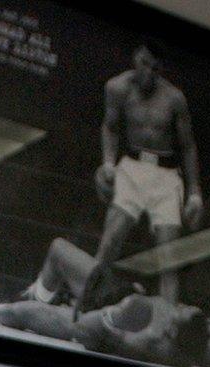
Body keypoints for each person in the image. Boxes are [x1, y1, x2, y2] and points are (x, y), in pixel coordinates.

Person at [0, 238, 210, 367]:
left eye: (178, 313)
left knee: (18, 314)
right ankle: (35, 296)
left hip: (103, 318)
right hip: (119, 293)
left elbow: (87, 332)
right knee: (58, 248)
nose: (177, 307)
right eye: (182, 307)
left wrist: (115, 316)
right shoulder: (199, 341)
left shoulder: (149, 343)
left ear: (170, 333)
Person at [84, 40, 203, 311]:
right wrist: (108, 163)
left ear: (161, 68)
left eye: (155, 67)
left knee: (168, 257)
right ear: (135, 59)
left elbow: (187, 146)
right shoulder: (116, 88)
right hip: (132, 168)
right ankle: (85, 306)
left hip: (166, 174)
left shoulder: (174, 98)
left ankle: (167, 324)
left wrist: (195, 192)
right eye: (144, 64)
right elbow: (110, 127)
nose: (148, 72)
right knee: (110, 242)